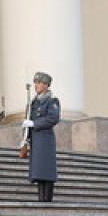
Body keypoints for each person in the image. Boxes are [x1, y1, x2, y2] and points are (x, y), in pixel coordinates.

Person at [26, 71, 61, 202]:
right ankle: (41, 200)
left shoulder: (52, 101)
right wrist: (26, 138)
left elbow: (53, 118)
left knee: (46, 171)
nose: (36, 85)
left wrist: (34, 123)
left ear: (46, 85)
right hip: (36, 141)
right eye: (35, 82)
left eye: (39, 83)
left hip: (45, 140)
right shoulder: (33, 103)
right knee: (39, 172)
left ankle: (47, 200)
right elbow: (29, 120)